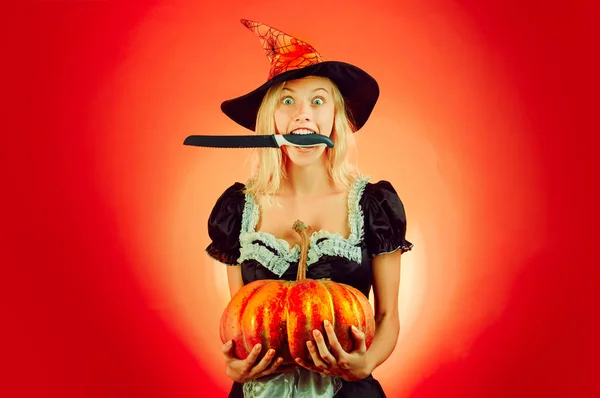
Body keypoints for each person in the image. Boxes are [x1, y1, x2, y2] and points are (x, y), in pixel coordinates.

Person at [206, 19, 413, 398]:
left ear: (336, 119)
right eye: (288, 101)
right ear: (270, 119)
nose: (303, 115)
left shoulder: (374, 205)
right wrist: (233, 365)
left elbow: (386, 318)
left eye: (318, 101)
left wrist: (364, 365)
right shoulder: (237, 209)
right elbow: (238, 320)